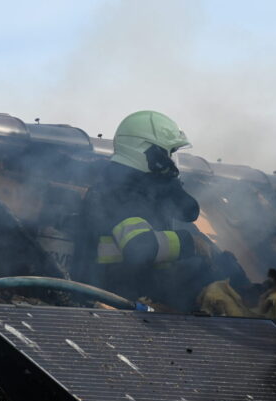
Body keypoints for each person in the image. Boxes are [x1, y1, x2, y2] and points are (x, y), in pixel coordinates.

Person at [76, 110, 210, 307]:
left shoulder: (144, 189)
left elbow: (188, 211)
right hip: (110, 302)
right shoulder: (115, 190)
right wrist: (189, 242)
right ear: (146, 151)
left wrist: (170, 184)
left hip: (136, 300)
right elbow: (140, 247)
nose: (170, 161)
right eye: (166, 153)